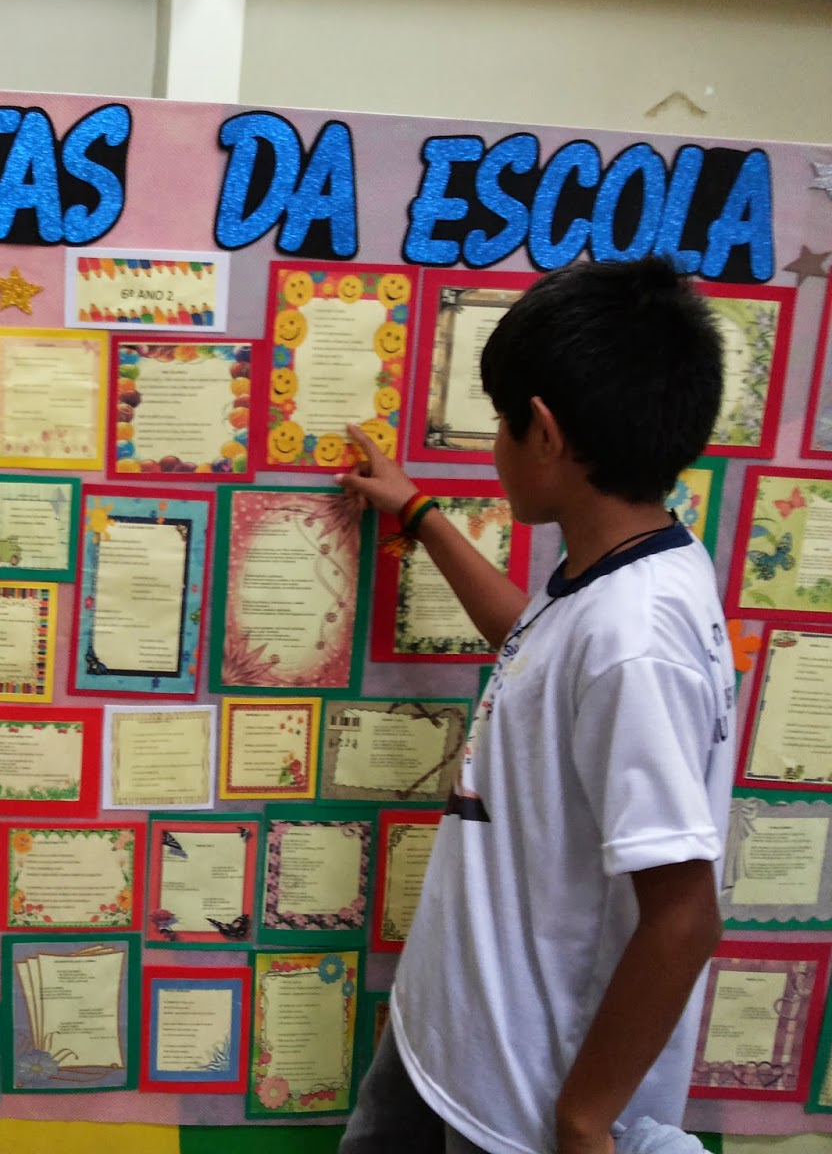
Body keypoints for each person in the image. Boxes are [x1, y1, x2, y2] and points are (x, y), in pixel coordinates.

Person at [336, 256, 732, 1154]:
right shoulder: (633, 569)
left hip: (521, 1096)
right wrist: (420, 516)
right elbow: (537, 648)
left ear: (543, 433)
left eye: (501, 425)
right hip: (449, 1030)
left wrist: (582, 1120)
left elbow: (684, 914)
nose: (494, 448)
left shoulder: (637, 638)